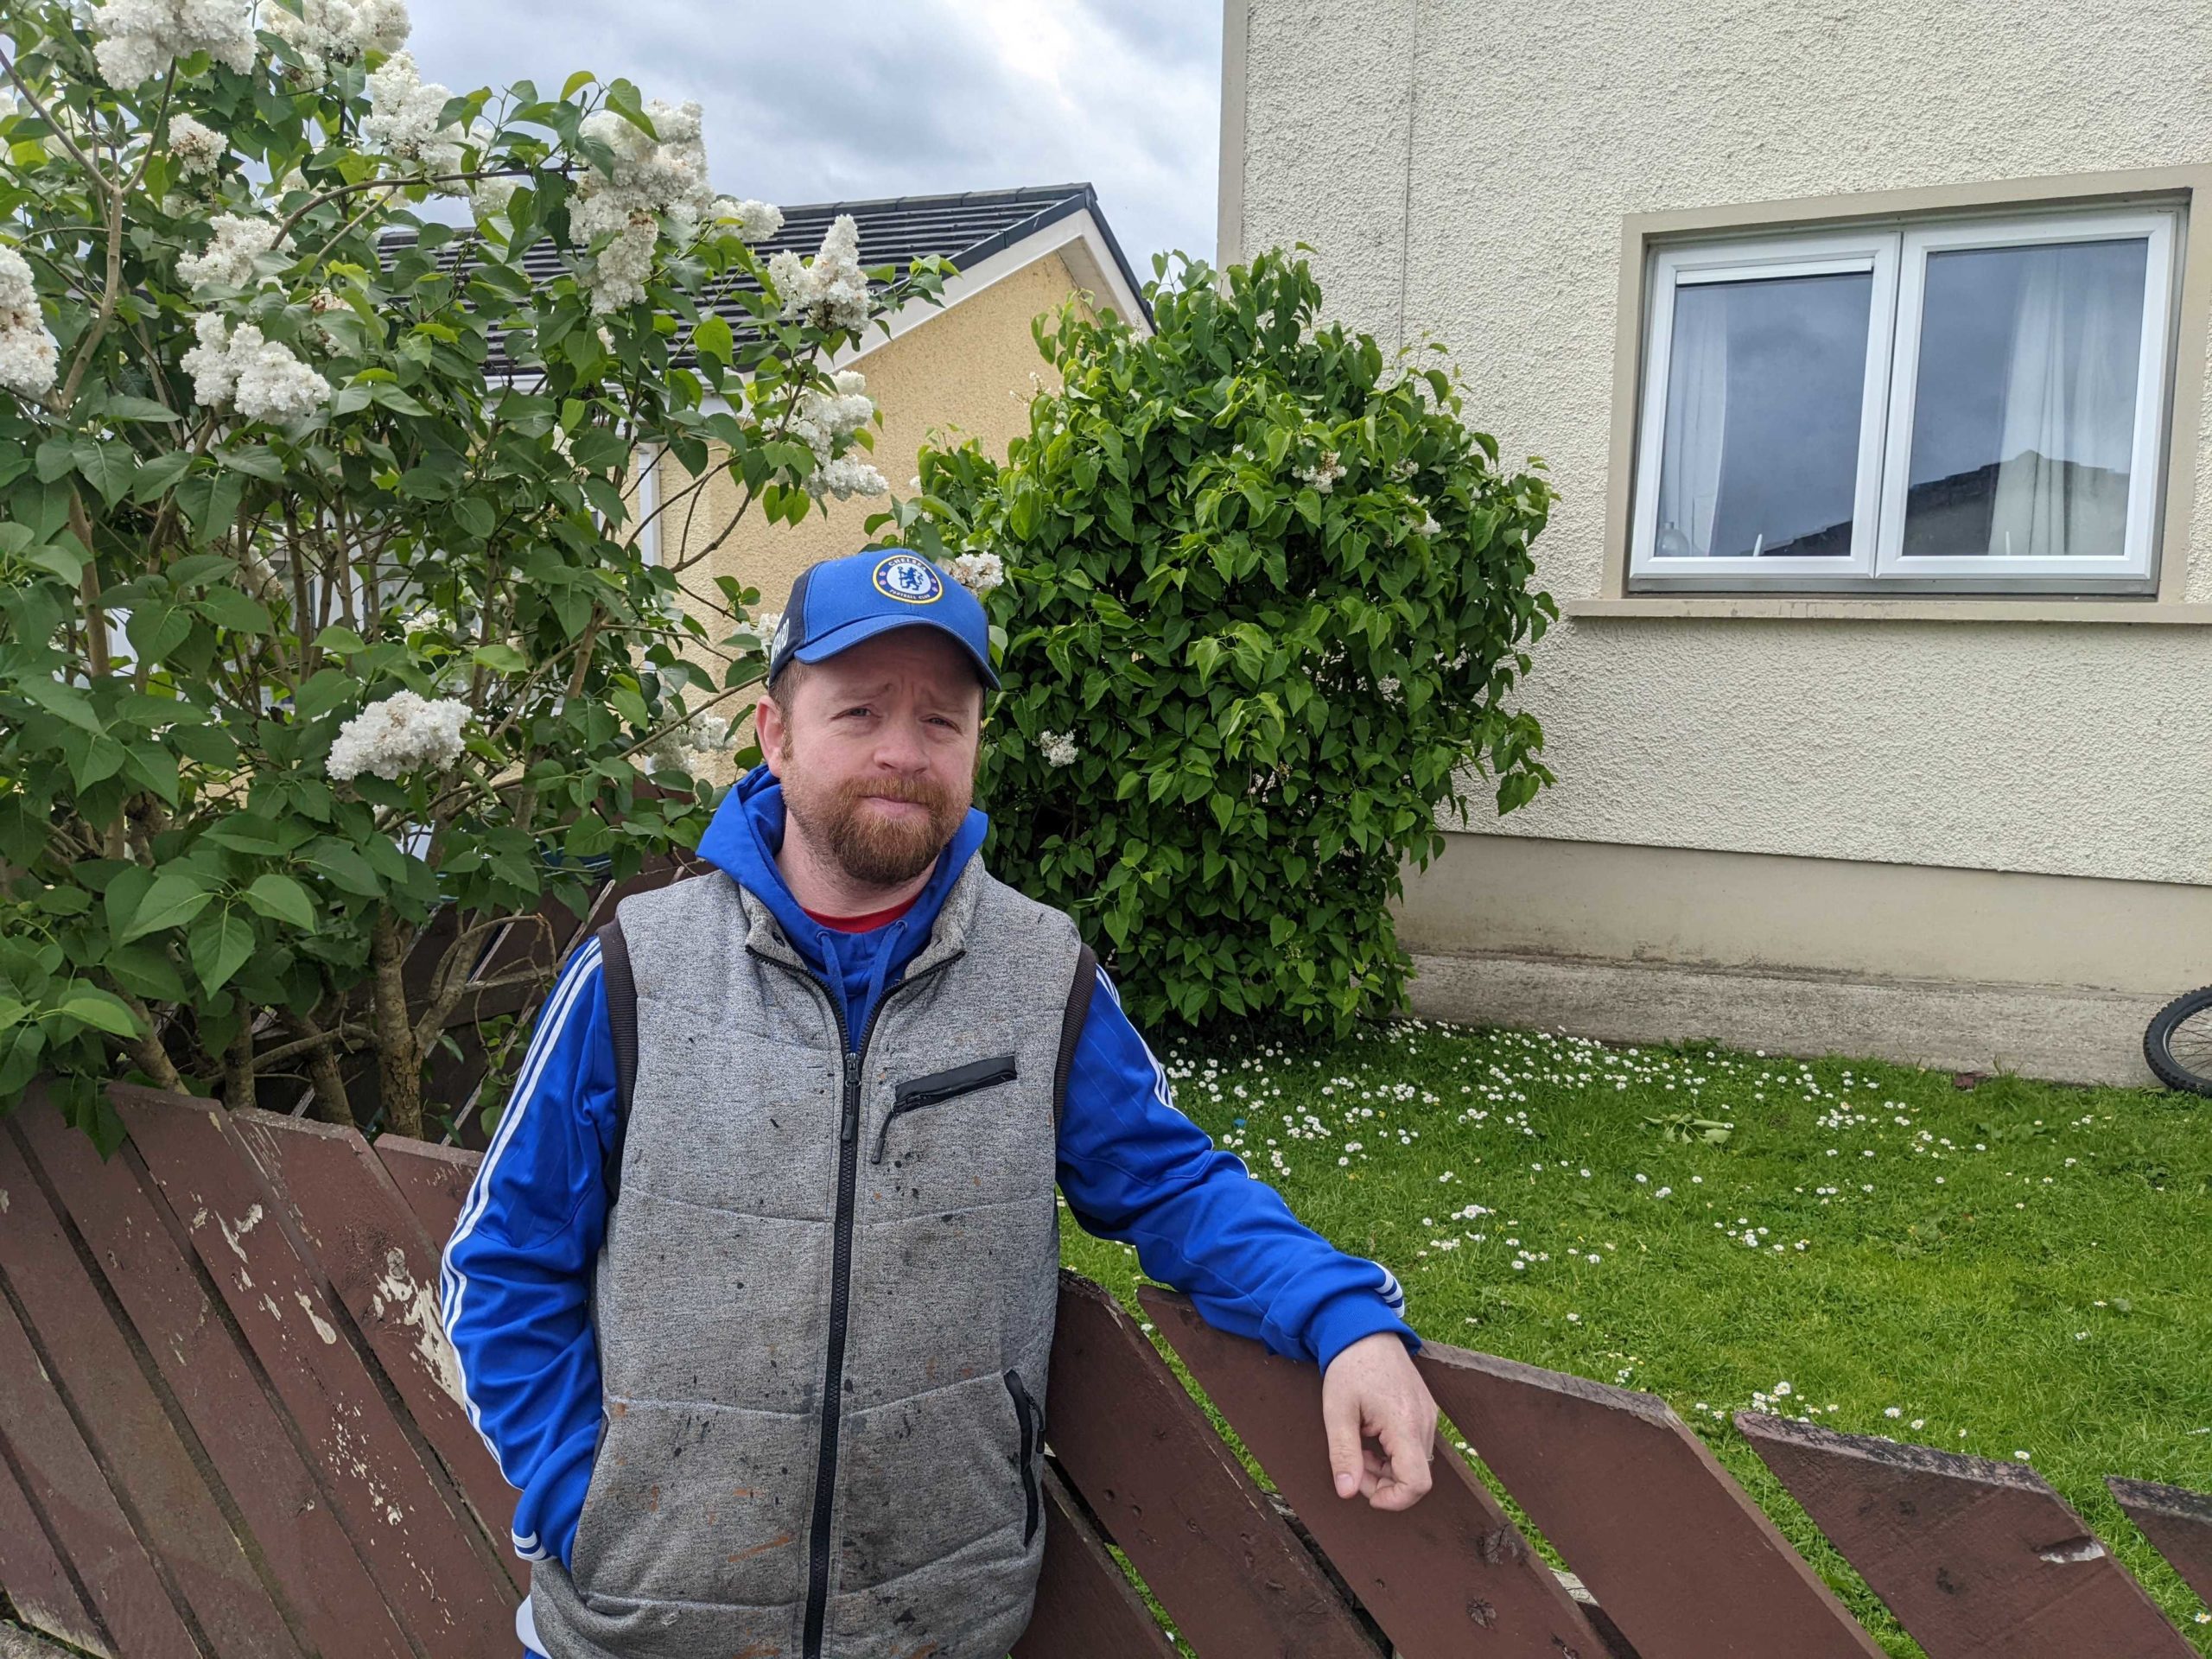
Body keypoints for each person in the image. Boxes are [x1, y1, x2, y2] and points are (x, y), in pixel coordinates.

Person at [441, 547, 1440, 1659]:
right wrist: (579, 1500)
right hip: (637, 1631)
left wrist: (1345, 1319)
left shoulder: (1040, 976)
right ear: (774, 734)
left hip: (932, 1628)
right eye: (859, 711)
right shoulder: (637, 970)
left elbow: (1174, 1186)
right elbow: (502, 1262)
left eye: (940, 721)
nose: (902, 753)